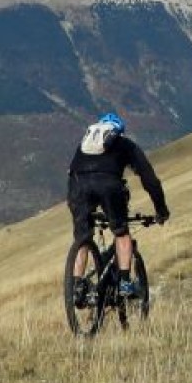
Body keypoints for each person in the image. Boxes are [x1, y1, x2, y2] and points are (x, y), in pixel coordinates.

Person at [68, 111, 170, 304]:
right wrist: (161, 210)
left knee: (82, 238)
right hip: (109, 187)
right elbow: (150, 180)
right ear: (118, 132)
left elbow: (73, 172)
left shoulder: (84, 144)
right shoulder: (125, 145)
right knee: (121, 233)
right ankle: (124, 283)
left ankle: (77, 286)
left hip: (77, 186)